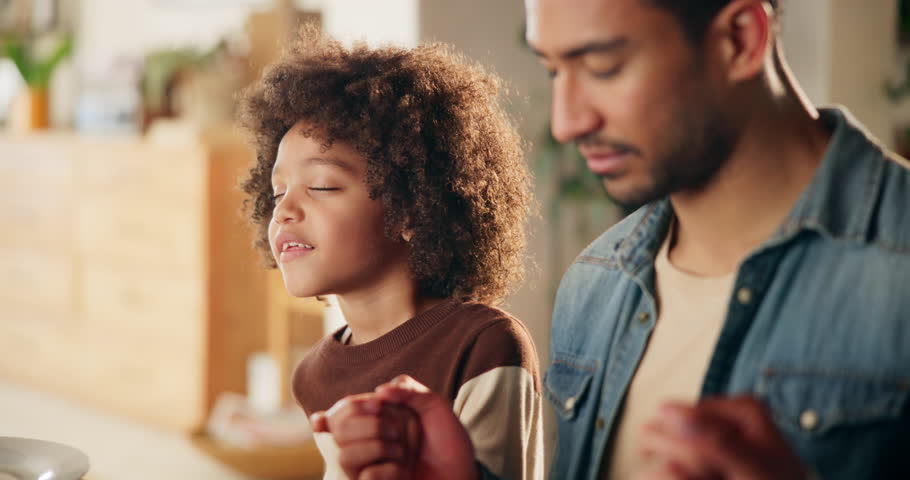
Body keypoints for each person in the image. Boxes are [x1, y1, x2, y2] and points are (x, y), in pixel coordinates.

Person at [314, 0, 910, 479]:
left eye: (602, 66)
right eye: (553, 69)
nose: (566, 121)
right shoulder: (595, 283)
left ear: (739, 40)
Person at [237, 26, 544, 480]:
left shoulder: (482, 345)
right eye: (278, 192)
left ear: (410, 208)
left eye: (321, 185)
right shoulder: (313, 376)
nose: (284, 211)